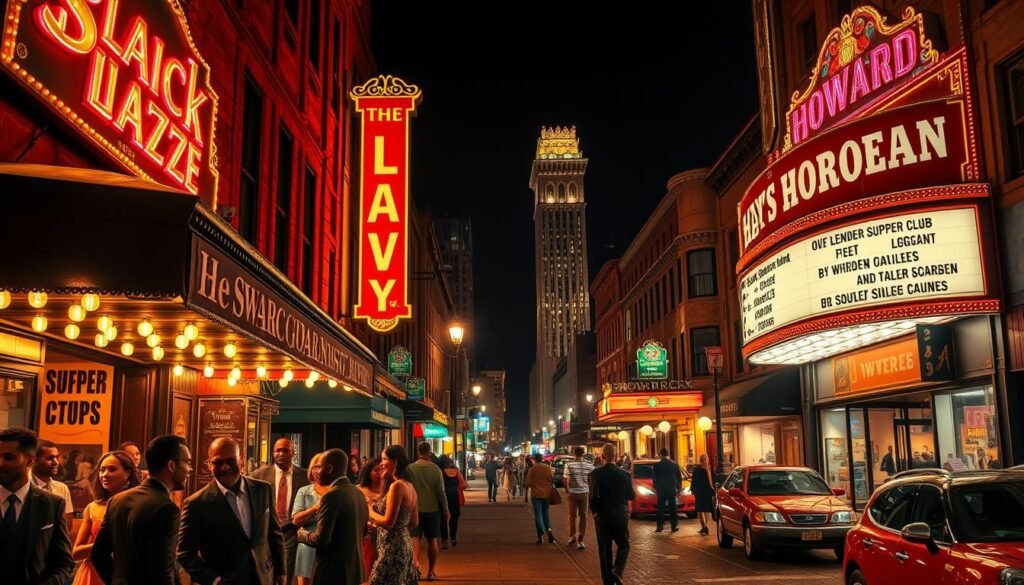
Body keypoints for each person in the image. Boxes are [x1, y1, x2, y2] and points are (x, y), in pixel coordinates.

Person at [177, 437, 286, 585]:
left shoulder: (263, 490)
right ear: (209, 465)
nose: (225, 467)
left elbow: (274, 534)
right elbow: (185, 554)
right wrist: (214, 580)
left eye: (230, 461)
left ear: (240, 459)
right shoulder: (196, 504)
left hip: (264, 578)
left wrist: (281, 571)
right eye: (218, 462)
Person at [91, 434, 191, 585]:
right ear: (171, 465)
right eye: (187, 462)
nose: (189, 469)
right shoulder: (166, 509)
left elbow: (98, 554)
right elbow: (162, 572)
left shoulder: (117, 500)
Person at [0, 427, 76, 585]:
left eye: (8, 457)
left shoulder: (53, 504)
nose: (1, 463)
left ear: (29, 460)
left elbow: (64, 563)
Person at [296, 449, 367, 585]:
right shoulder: (358, 492)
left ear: (329, 468)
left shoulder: (331, 496)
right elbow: (363, 532)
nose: (317, 472)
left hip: (332, 573)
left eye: (320, 467)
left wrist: (302, 535)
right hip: (354, 571)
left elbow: (321, 540)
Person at [71, 449, 140, 585]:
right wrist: (106, 544)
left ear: (128, 473)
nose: (105, 475)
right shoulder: (93, 507)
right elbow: (77, 553)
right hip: (93, 573)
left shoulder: (138, 506)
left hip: (126, 574)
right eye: (102, 470)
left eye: (112, 469)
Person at [252, 436, 309, 585]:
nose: (281, 454)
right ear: (272, 453)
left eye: (285, 450)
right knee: (266, 570)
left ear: (293, 452)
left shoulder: (305, 476)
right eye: (277, 450)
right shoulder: (258, 475)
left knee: (287, 572)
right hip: (266, 530)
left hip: (291, 530)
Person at [368, 445, 419, 585]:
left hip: (392, 546)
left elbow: (389, 522)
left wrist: (371, 512)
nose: (382, 463)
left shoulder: (397, 486)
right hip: (404, 543)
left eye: (385, 459)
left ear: (395, 461)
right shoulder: (410, 486)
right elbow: (414, 521)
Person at [589, 443, 635, 585]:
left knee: (604, 550)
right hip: (620, 514)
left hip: (602, 516)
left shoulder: (595, 473)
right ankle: (618, 569)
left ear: (602, 457)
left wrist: (595, 511)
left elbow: (592, 496)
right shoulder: (625, 474)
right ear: (616, 456)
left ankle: (608, 582)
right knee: (624, 544)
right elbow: (631, 495)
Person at [405, 442, 448, 581]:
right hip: (432, 509)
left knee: (414, 539)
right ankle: (431, 571)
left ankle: (415, 568)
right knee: (432, 540)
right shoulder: (436, 469)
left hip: (414, 509)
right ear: (429, 452)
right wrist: (446, 509)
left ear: (418, 452)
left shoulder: (410, 469)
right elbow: (441, 492)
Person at [293, 453, 329, 585]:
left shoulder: (335, 490)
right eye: (315, 467)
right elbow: (296, 519)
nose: (318, 470)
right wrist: (315, 508)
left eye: (321, 467)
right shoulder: (304, 491)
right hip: (307, 543)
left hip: (328, 543)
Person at [30, 439, 74, 531]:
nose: (56, 462)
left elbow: (67, 526)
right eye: (50, 458)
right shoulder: (22, 485)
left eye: (57, 457)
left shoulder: (61, 488)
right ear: (33, 460)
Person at [355, 457, 385, 578]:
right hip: (364, 535)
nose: (380, 473)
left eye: (382, 470)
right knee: (366, 567)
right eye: (376, 470)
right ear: (368, 472)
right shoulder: (359, 490)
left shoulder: (390, 490)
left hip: (384, 534)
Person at [564, 446, 594, 550]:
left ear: (573, 453)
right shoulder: (588, 465)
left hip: (572, 493)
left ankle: (572, 536)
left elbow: (565, 478)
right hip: (584, 493)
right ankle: (581, 539)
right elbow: (593, 476)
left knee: (572, 516)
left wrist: (567, 490)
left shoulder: (568, 464)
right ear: (583, 453)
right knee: (583, 516)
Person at [524, 453, 556, 544]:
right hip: (547, 494)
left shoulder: (532, 469)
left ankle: (541, 536)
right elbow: (552, 479)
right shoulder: (548, 468)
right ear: (542, 459)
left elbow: (527, 482)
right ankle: (549, 530)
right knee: (546, 513)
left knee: (538, 515)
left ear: (534, 459)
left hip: (536, 495)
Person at [438, 455, 467, 549]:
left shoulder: (440, 472)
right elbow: (463, 485)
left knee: (443, 519)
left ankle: (444, 541)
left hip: (443, 497)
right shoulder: (456, 471)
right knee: (454, 518)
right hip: (454, 496)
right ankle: (453, 538)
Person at [652, 447, 682, 533]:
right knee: (673, 508)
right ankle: (673, 526)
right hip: (671, 489)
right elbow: (678, 478)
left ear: (660, 454)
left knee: (660, 508)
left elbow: (654, 478)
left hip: (661, 489)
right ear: (667, 454)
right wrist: (679, 489)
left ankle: (659, 526)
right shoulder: (674, 465)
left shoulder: (657, 465)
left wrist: (655, 487)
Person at [690, 453, 715, 536]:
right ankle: (705, 526)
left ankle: (704, 526)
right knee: (707, 510)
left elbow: (694, 481)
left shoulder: (697, 469)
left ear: (700, 460)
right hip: (708, 491)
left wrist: (693, 490)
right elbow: (712, 481)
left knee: (700, 510)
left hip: (700, 492)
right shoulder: (709, 469)